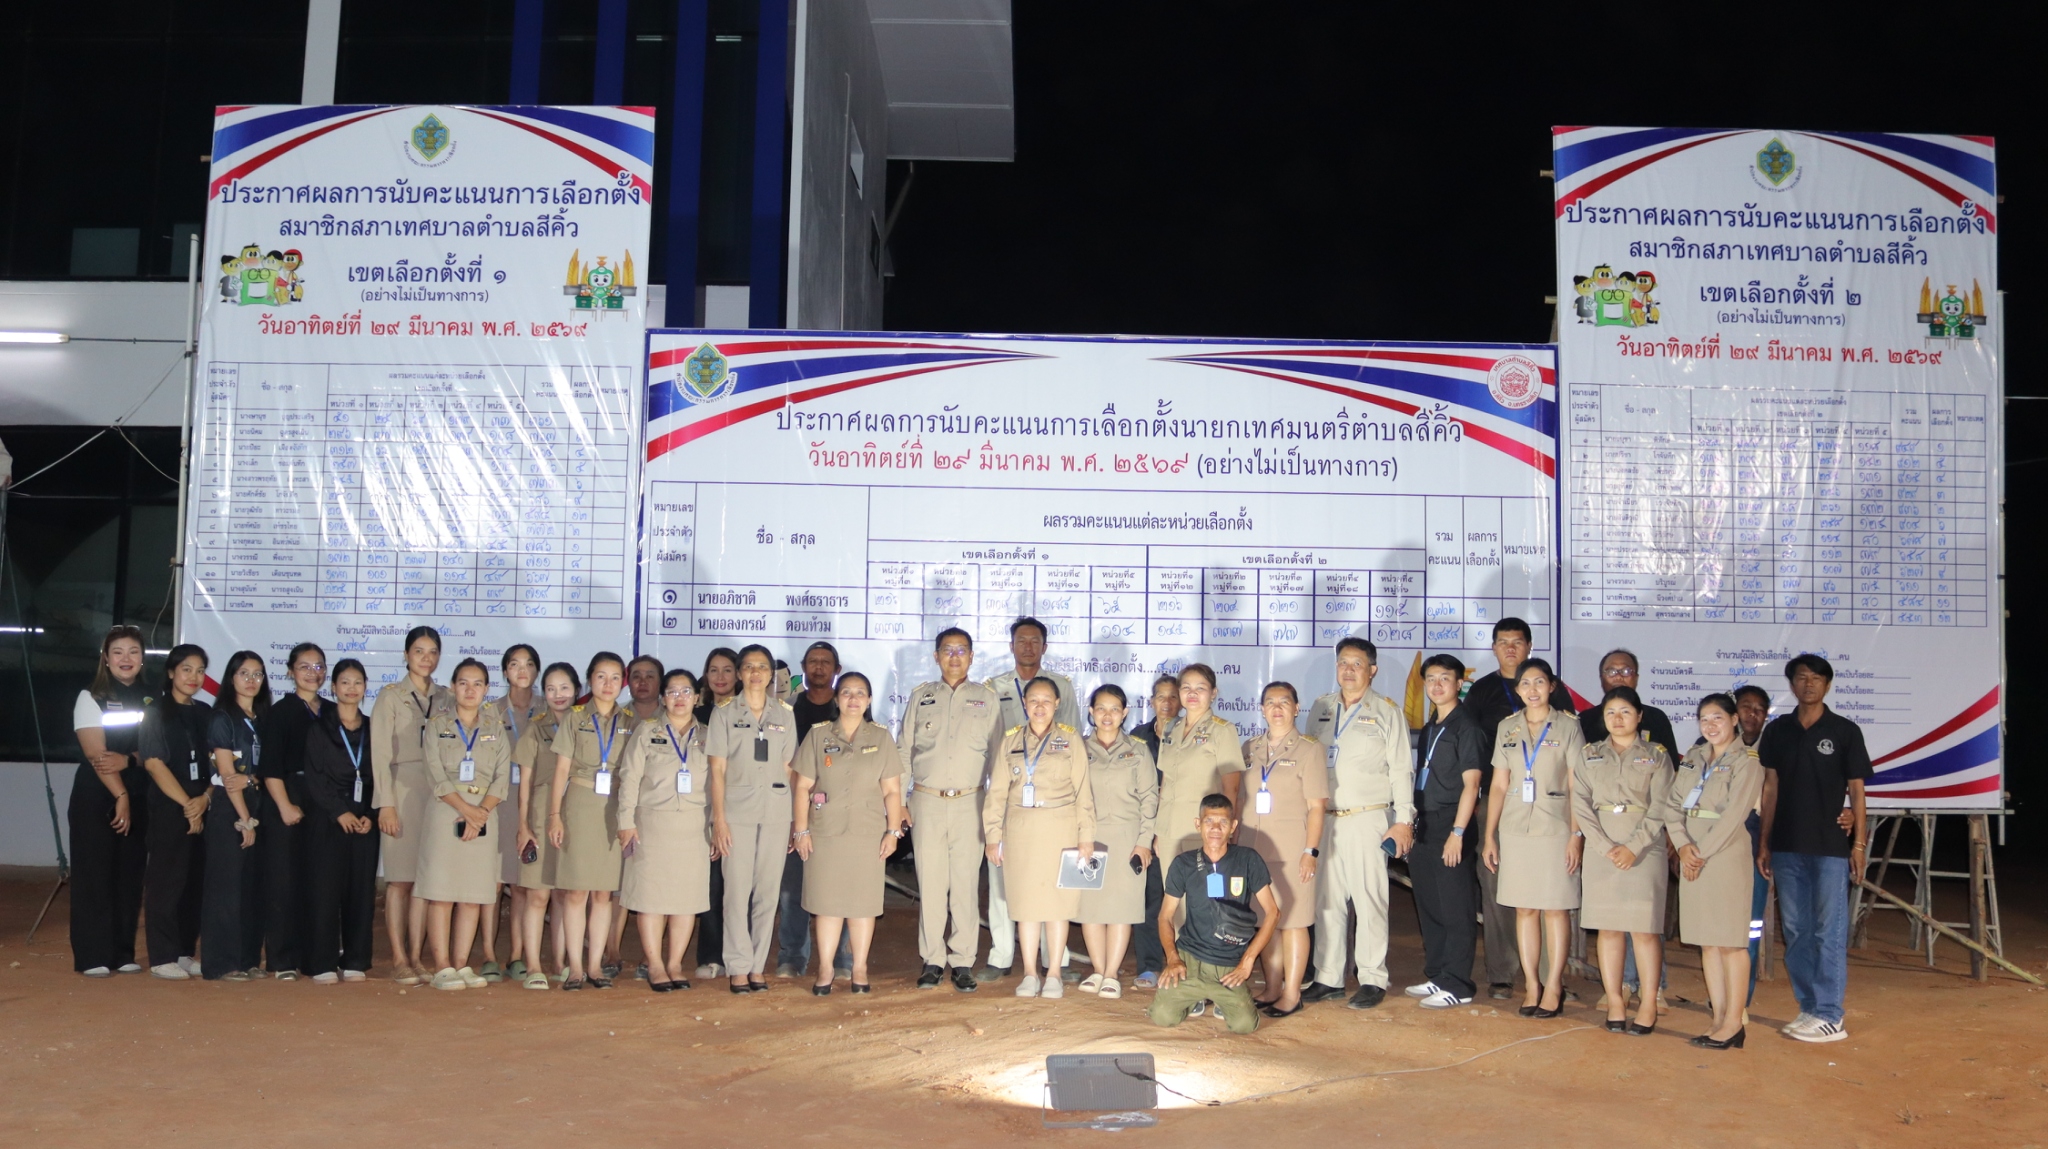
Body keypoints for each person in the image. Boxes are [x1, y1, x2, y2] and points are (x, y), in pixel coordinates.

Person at [1758, 654, 1870, 1044]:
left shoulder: (1844, 730)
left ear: (1827, 685)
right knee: (1796, 931)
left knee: (1829, 931)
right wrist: (1765, 842)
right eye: (1802, 677)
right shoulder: (1778, 731)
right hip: (1787, 846)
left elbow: (1857, 790)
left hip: (1829, 848)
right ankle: (1809, 1007)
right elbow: (1770, 788)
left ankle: (1830, 1015)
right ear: (1792, 685)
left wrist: (1859, 843)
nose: (1809, 683)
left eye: (1817, 678)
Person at [1465, 617, 1574, 998]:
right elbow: (1471, 748)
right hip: (1499, 803)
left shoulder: (1558, 698)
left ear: (1529, 646)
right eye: (1502, 642)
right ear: (1493, 647)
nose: (1510, 648)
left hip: (1552, 809)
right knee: (1498, 887)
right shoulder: (1481, 691)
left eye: (1517, 642)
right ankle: (1503, 972)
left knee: (1551, 895)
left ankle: (1549, 976)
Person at [1301, 638, 1410, 1011]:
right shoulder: (1321, 708)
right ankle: (1328, 977)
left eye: (1357, 664)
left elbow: (1401, 769)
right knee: (1326, 902)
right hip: (1325, 819)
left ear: (1372, 670)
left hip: (1368, 817)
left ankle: (1372, 977)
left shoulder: (1387, 711)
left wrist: (1404, 821)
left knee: (1369, 901)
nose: (1348, 670)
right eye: (1343, 663)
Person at [899, 628, 1002, 992]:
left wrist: (996, 809)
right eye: (948, 650)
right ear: (936, 656)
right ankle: (932, 959)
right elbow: (904, 751)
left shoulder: (986, 699)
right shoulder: (921, 697)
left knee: (965, 886)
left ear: (971, 657)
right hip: (926, 801)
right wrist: (898, 803)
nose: (954, 656)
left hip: (971, 803)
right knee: (930, 884)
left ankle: (962, 961)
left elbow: (998, 758)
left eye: (961, 650)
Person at [790, 670, 906, 995]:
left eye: (860, 693)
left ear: (869, 701)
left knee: (862, 906)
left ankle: (859, 967)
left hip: (868, 836)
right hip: (824, 834)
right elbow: (802, 787)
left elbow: (892, 791)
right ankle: (826, 968)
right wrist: (800, 830)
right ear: (836, 699)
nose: (853, 699)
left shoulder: (881, 738)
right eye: (846, 692)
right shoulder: (818, 736)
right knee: (827, 905)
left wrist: (893, 831)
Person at [1481, 658, 1584, 1018]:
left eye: (1539, 682)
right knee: (1524, 908)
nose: (1532, 690)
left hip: (1556, 829)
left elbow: (1576, 785)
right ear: (1517, 689)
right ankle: (1532, 985)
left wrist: (1576, 834)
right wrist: (1490, 835)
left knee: (1555, 909)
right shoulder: (1507, 727)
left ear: (1551, 686)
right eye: (1525, 683)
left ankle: (1553, 985)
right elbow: (1498, 785)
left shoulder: (1569, 726)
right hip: (1515, 829)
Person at [981, 618, 1082, 983]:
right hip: (1010, 792)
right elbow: (991, 741)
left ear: (1044, 646)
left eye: (1034, 641)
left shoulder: (1061, 686)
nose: (1027, 647)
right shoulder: (994, 688)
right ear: (1011, 646)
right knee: (1007, 882)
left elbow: (1070, 738)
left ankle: (1055, 959)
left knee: (1054, 884)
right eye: (1021, 641)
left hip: (1053, 801)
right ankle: (1001, 955)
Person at [1572, 686, 1675, 1035]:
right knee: (1609, 928)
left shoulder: (1656, 755)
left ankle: (1648, 1004)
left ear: (1639, 716)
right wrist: (1604, 846)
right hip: (1601, 849)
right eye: (1611, 712)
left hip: (1644, 850)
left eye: (1625, 712)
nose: (1618, 719)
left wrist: (1634, 846)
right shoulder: (1589, 755)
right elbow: (1581, 803)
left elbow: (1661, 806)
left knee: (1644, 930)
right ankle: (1615, 1000)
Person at [1670, 693, 1764, 1048]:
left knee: (1730, 943)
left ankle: (1734, 1022)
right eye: (1704, 719)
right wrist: (1683, 846)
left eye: (1718, 718)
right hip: (1691, 851)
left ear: (1734, 720)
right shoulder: (1694, 757)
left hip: (1723, 856)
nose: (1710, 725)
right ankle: (1719, 1020)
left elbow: (1734, 816)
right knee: (1707, 943)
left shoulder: (1747, 762)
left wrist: (1699, 854)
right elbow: (1671, 805)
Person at [707, 643, 800, 994]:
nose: (756, 673)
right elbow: (717, 770)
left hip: (776, 812)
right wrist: (719, 820)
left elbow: (790, 769)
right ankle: (738, 965)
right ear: (740, 673)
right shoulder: (723, 714)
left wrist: (794, 821)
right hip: (736, 813)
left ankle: (757, 966)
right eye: (749, 667)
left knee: (767, 893)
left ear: (771, 674)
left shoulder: (785, 714)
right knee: (736, 892)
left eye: (762, 667)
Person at [417, 659, 513, 991]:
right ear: (453, 687)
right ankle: (442, 966)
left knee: (472, 895)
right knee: (442, 895)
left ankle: (461, 965)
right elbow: (434, 773)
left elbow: (502, 777)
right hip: (447, 811)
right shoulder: (437, 725)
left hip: (484, 811)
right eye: (463, 683)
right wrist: (466, 811)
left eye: (477, 684)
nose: (470, 690)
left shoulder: (496, 727)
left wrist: (480, 813)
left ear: (487, 689)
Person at [1149, 793, 1281, 1034]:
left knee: (1244, 1025)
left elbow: (1273, 912)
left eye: (1223, 822)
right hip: (1190, 959)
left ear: (1233, 826)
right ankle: (1195, 997)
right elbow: (1165, 916)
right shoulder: (1183, 863)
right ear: (1198, 824)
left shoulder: (1247, 859)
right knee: (1162, 1017)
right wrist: (1173, 958)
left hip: (1229, 962)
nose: (1216, 828)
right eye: (1209, 821)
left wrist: (1247, 962)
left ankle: (1220, 997)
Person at [616, 669, 713, 993]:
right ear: (663, 698)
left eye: (686, 692)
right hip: (651, 827)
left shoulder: (709, 735)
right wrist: (626, 822)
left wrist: (716, 824)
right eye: (672, 692)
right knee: (651, 899)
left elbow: (718, 784)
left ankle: (674, 964)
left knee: (686, 900)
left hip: (694, 828)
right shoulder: (646, 731)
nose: (679, 698)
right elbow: (629, 778)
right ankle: (655, 965)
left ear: (697, 697)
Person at [1239, 682, 1329, 1017]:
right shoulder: (1249, 747)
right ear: (1262, 709)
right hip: (1253, 849)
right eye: (1270, 702)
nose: (1277, 708)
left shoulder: (1309, 749)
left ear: (1296, 708)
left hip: (1292, 850)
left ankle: (1292, 993)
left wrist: (1311, 851)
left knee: (1293, 921)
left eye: (1284, 702)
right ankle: (1272, 986)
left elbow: (1317, 807)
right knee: (1266, 920)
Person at [547, 652, 636, 989]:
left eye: (614, 677)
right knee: (575, 893)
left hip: (615, 808)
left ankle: (595, 966)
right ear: (589, 680)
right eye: (601, 676)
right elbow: (560, 771)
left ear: (622, 682)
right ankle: (574, 968)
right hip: (580, 806)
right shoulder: (575, 718)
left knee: (603, 894)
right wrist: (555, 815)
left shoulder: (630, 721)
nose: (608, 684)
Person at [1403, 654, 1486, 1009]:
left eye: (1445, 679)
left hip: (1453, 823)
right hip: (1425, 823)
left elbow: (1472, 785)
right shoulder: (1432, 726)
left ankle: (1459, 984)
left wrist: (1457, 833)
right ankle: (1438, 974)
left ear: (1459, 684)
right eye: (1431, 679)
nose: (1437, 685)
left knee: (1455, 908)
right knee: (1430, 904)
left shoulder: (1467, 727)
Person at [369, 626, 451, 985]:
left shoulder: (446, 697)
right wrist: (385, 804)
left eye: (432, 652)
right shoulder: (391, 697)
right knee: (400, 881)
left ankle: (417, 956)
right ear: (406, 655)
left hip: (439, 794)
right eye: (419, 651)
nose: (426, 658)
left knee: (425, 881)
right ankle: (399, 958)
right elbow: (379, 755)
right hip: (402, 791)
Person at [69, 625, 151, 978]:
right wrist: (121, 795)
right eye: (117, 652)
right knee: (94, 875)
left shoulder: (152, 698)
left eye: (133, 651)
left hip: (139, 792)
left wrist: (130, 760)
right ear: (105, 658)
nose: (125, 659)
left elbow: (158, 750)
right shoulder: (90, 696)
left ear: (143, 658)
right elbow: (96, 755)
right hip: (98, 795)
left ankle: (121, 952)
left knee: (129, 875)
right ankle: (92, 955)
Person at [256, 642, 335, 980]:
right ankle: (282, 959)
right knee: (284, 880)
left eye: (319, 667)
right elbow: (270, 766)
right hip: (287, 796)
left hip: (324, 801)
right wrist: (285, 806)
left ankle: (315, 956)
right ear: (290, 671)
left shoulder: (332, 711)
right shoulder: (281, 712)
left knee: (319, 880)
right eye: (305, 667)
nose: (313, 673)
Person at [1075, 685, 1157, 1000]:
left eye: (1114, 709)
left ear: (1124, 713)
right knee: (1090, 907)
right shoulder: (1079, 749)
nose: (1107, 715)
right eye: (1101, 708)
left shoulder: (1138, 750)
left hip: (1128, 838)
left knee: (1122, 908)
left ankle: (1112, 974)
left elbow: (1150, 798)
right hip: (1089, 837)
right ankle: (1098, 970)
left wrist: (1144, 842)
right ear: (1091, 712)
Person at [778, 641, 853, 981]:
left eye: (825, 662)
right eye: (812, 662)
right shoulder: (787, 711)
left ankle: (840, 957)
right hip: (795, 808)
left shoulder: (850, 709)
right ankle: (792, 956)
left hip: (840, 812)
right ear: (803, 668)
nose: (819, 667)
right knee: (793, 888)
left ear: (837, 670)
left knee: (840, 885)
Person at [302, 659, 379, 983]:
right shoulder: (319, 728)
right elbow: (314, 778)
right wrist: (339, 812)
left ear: (365, 688)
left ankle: (355, 960)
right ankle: (321, 961)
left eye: (358, 682)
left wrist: (370, 815)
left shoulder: (374, 728)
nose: (351, 688)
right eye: (345, 682)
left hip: (364, 820)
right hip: (328, 819)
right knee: (325, 891)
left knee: (361, 891)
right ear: (333, 687)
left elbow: (382, 776)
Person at [137, 643, 211, 980]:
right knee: (166, 882)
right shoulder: (155, 712)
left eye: (200, 671)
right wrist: (187, 805)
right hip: (170, 808)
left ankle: (183, 952)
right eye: (186, 669)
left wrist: (205, 799)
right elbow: (154, 763)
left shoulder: (206, 713)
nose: (193, 677)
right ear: (171, 672)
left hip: (203, 805)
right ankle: (162, 956)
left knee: (194, 883)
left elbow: (218, 764)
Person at [202, 650, 272, 980]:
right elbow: (229, 777)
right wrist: (245, 821)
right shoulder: (223, 717)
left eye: (257, 674)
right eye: (244, 673)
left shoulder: (262, 717)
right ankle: (222, 963)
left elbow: (262, 771)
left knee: (252, 888)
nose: (251, 680)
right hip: (231, 809)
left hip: (258, 803)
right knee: (226, 889)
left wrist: (254, 781)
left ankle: (247, 960)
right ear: (231, 678)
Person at [513, 661, 580, 989]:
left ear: (577, 690)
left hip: (576, 814)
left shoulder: (585, 726)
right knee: (538, 895)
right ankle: (533, 966)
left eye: (564, 687)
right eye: (551, 689)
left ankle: (560, 962)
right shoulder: (534, 729)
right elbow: (524, 783)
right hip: (540, 814)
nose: (558, 694)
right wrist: (523, 825)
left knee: (565, 894)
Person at [485, 644, 546, 984]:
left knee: (522, 883)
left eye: (529, 664)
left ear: (537, 670)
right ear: (505, 671)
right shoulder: (491, 711)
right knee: (494, 883)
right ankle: (489, 955)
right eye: (514, 664)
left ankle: (517, 955)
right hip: (498, 802)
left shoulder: (547, 709)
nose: (522, 670)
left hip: (533, 803)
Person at [1154, 664, 1246, 860]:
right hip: (1168, 829)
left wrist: (1224, 832)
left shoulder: (1222, 730)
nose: (1192, 693)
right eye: (1186, 687)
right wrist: (1158, 832)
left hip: (1204, 830)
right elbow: (1166, 782)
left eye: (1200, 688)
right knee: (1171, 881)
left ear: (1213, 693)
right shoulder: (1170, 727)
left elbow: (1232, 788)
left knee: (1203, 880)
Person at [691, 647, 740, 979]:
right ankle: (711, 955)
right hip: (704, 810)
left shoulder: (750, 712)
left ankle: (740, 955)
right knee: (711, 885)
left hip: (743, 807)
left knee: (740, 887)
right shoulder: (696, 715)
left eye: (727, 670)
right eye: (713, 670)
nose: (720, 677)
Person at [1129, 674, 1180, 987]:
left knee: (1183, 901)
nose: (1167, 703)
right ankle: (1149, 965)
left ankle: (1185, 963)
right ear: (1151, 702)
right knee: (1149, 899)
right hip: (1146, 828)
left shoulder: (1191, 735)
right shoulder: (1137, 737)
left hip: (1180, 828)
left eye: (1173, 697)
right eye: (1161, 697)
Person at [1733, 683, 1773, 1012]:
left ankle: (1740, 1003)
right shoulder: (1712, 745)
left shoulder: (1773, 748)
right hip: (1721, 837)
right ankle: (1722, 994)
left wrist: (1765, 845)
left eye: (1760, 709)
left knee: (1751, 925)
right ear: (1735, 712)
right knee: (1720, 924)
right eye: (1746, 706)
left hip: (1758, 834)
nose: (1753, 714)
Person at [1577, 649, 1679, 763]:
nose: (1618, 677)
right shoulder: (1585, 720)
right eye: (1611, 671)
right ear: (1601, 678)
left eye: (1626, 671)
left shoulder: (1656, 717)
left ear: (1636, 678)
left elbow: (1672, 766)